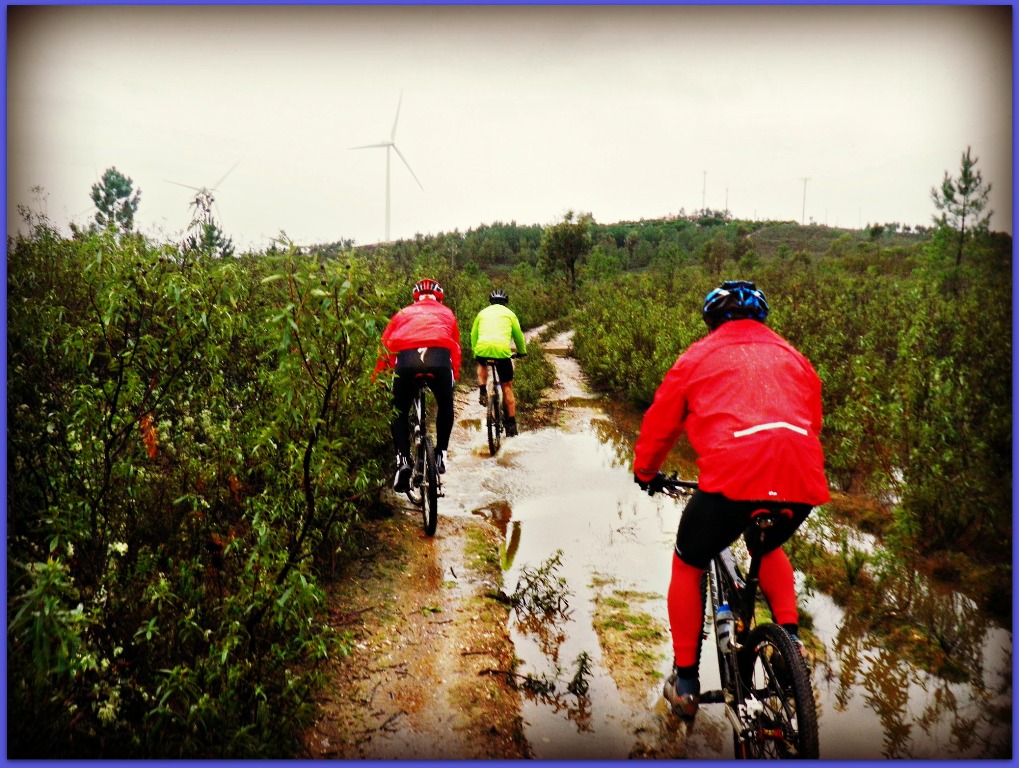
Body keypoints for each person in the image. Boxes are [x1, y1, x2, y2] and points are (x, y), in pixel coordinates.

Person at [632, 280, 830, 719]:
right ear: (761, 318)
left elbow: (662, 422)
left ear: (712, 321)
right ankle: (791, 642)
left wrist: (645, 472)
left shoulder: (697, 356)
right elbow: (812, 420)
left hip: (732, 479)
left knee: (689, 562)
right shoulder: (794, 356)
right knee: (767, 544)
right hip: (800, 475)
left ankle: (686, 684)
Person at [374, 278, 461, 492]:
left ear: (416, 298)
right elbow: (456, 348)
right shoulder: (447, 313)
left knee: (399, 411)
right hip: (439, 360)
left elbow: (385, 345)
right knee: (446, 404)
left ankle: (403, 460)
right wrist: (453, 377)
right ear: (439, 298)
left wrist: (379, 377)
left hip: (407, 361)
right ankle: (441, 455)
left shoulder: (402, 313)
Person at [471, 289, 527, 436]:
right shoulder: (510, 314)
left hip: (482, 350)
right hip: (502, 353)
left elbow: (473, 334)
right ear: (505, 303)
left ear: (491, 302)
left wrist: (475, 352)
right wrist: (522, 352)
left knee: (481, 364)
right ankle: (511, 424)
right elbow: (518, 336)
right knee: (507, 386)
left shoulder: (482, 313)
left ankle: (482, 390)